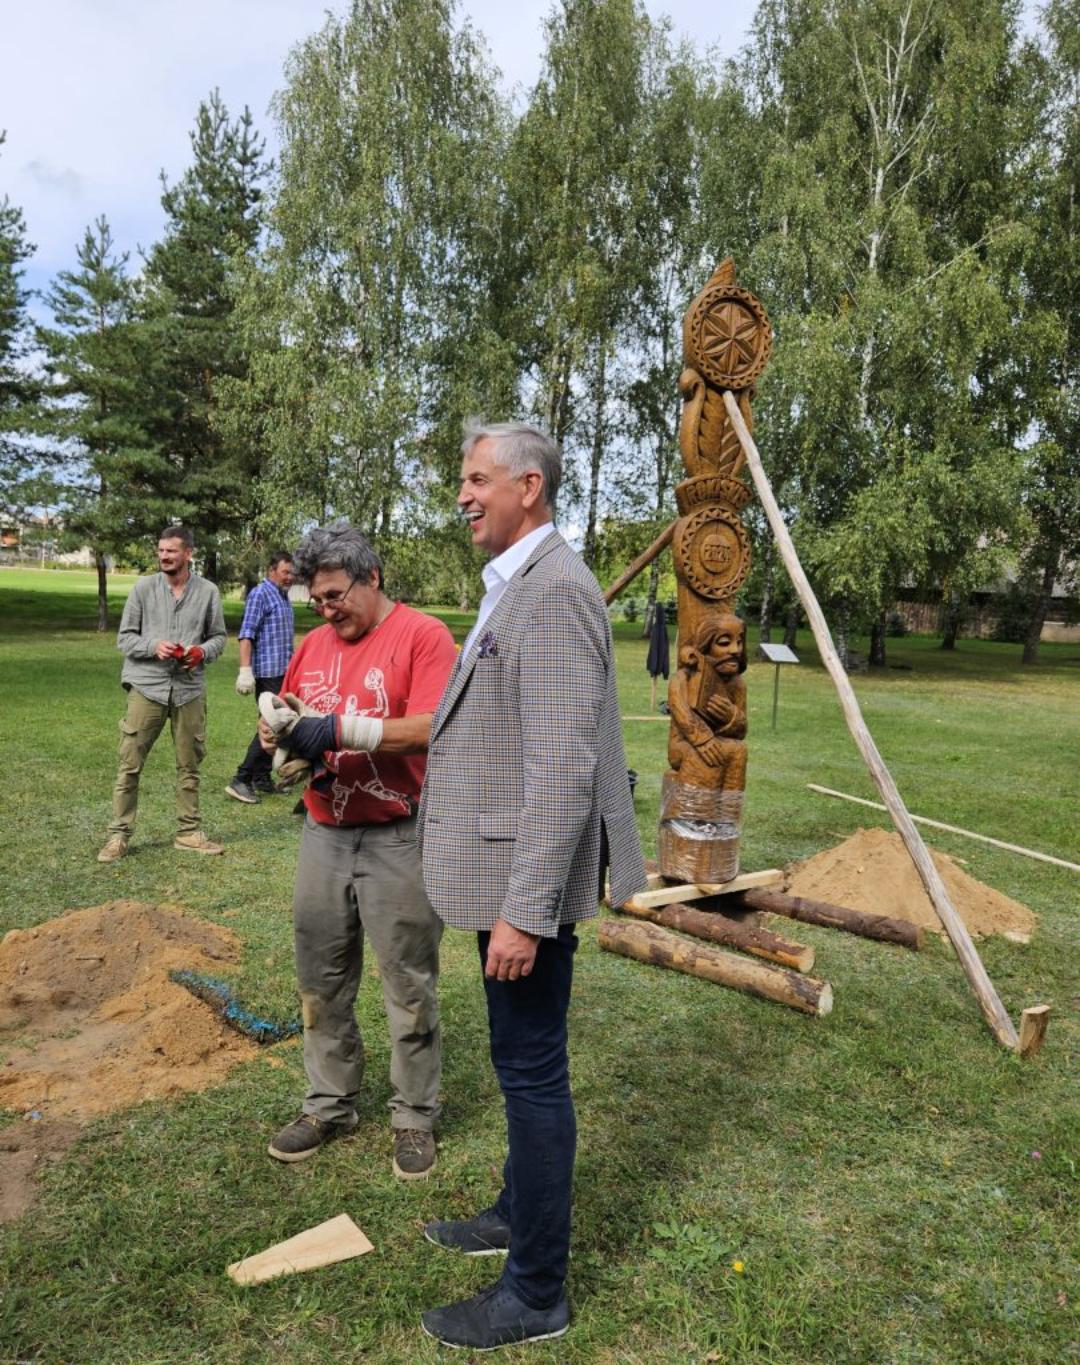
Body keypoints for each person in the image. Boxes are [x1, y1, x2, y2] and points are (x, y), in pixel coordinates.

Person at [418, 420, 646, 1350]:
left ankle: (537, 1291)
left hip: (526, 884)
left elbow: (560, 767)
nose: (463, 495)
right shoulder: (523, 580)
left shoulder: (551, 592)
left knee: (532, 1073)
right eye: (462, 481)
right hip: (508, 866)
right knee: (524, 1067)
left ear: (531, 487)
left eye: (477, 480)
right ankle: (518, 1211)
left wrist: (523, 910)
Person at [259, 524, 457, 1179]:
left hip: (399, 834)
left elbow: (433, 727)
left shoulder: (423, 636)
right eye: (315, 599)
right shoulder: (314, 644)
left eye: (337, 595)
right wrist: (280, 735)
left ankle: (414, 1116)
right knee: (320, 978)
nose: (327, 609)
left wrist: (339, 729)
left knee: (408, 984)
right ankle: (329, 1103)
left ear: (372, 578)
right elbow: (296, 710)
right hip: (323, 831)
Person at [97, 525, 227, 862]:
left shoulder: (209, 592)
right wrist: (154, 646)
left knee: (189, 766)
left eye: (171, 550)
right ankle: (119, 835)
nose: (164, 556)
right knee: (129, 765)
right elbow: (124, 639)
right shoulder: (143, 589)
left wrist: (201, 653)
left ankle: (189, 832)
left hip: (189, 691)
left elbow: (218, 638)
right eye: (161, 550)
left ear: (188, 554)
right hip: (147, 689)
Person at [225, 551, 296, 804]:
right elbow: (246, 634)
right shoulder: (260, 594)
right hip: (267, 673)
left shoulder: (282, 596)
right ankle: (241, 779)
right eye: (286, 572)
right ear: (271, 570)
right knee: (272, 724)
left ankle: (261, 778)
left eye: (292, 572)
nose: (290, 577)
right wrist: (245, 671)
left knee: (275, 723)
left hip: (282, 670)